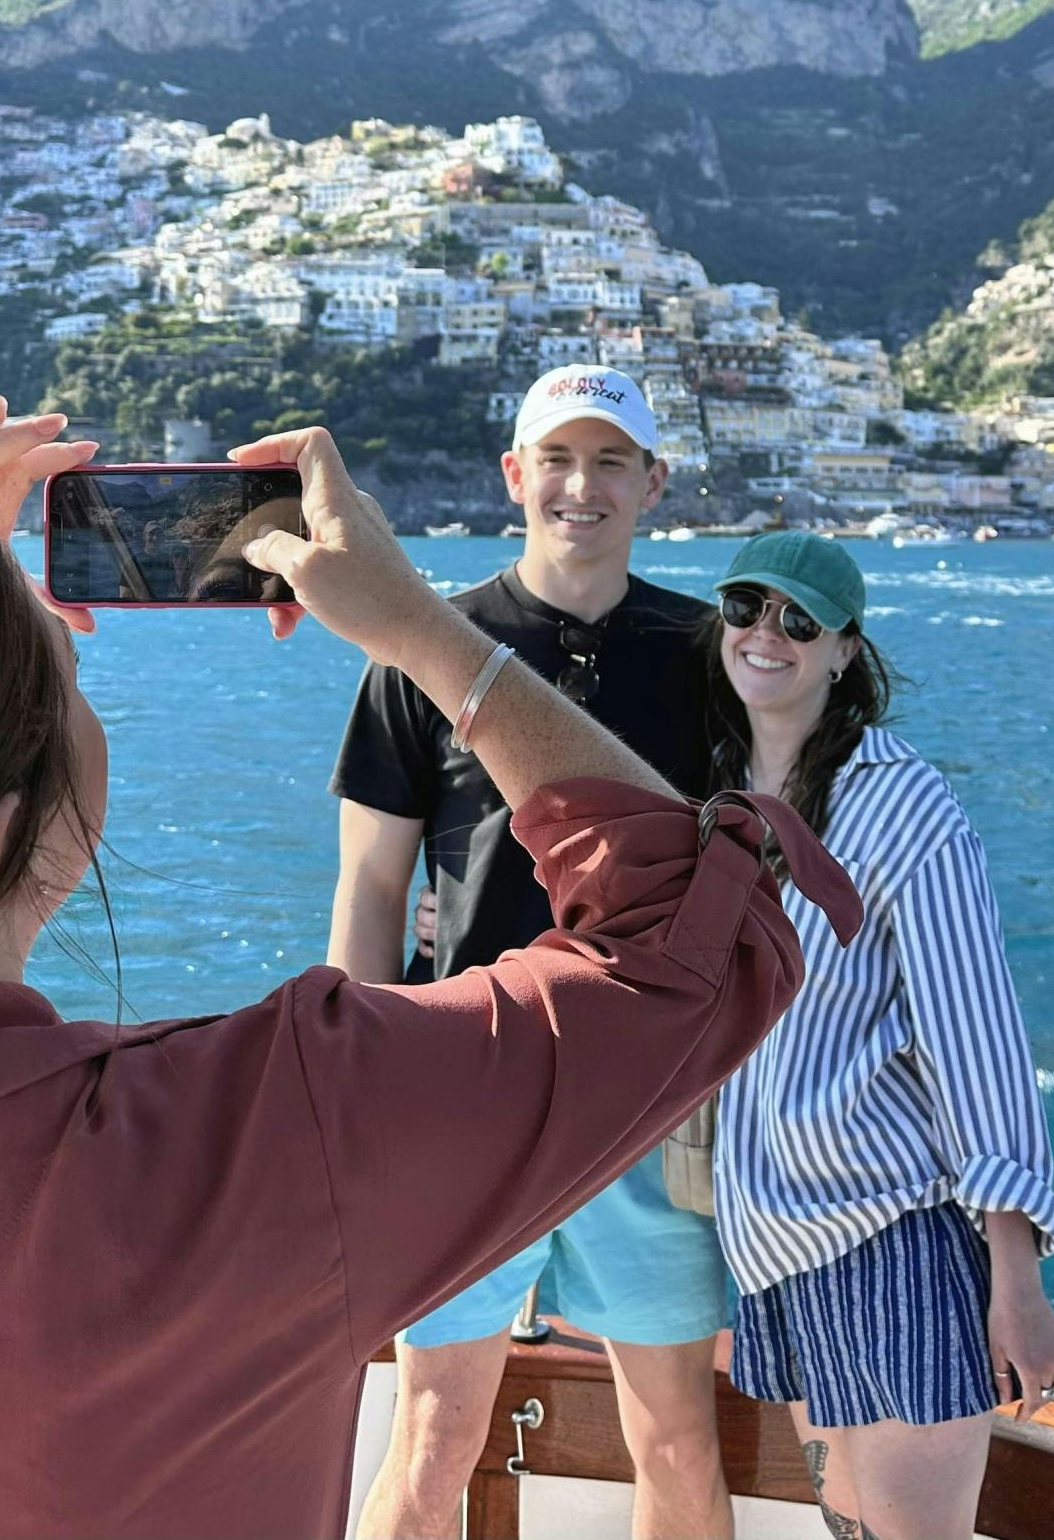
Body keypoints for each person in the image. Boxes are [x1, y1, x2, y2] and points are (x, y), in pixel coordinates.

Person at [0, 378, 860, 1538]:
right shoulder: (262, 1149)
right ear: (4, 834)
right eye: (64, 675)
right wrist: (419, 627)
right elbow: (695, 946)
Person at [331, 365, 740, 1540]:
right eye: (556, 458)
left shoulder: (710, 655)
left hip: (649, 1104)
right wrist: (355, 1083)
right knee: (433, 1438)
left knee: (672, 1438)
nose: (581, 484)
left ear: (653, 483)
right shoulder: (424, 649)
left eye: (612, 459)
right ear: (513, 476)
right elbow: (370, 891)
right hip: (463, 1096)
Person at [698, 530, 1054, 1540]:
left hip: (889, 1233)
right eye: (744, 607)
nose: (764, 634)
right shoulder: (717, 798)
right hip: (776, 1245)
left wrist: (1017, 1279)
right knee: (849, 1532)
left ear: (842, 649)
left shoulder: (903, 805)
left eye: (797, 621)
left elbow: (976, 1036)